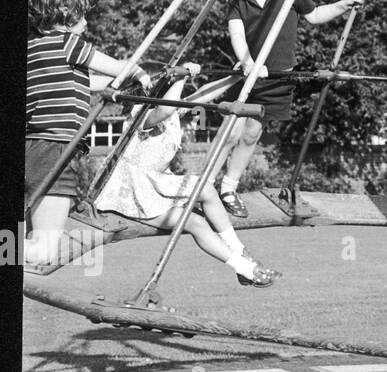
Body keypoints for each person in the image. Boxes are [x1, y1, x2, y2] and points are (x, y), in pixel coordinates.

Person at [212, 0, 363, 217]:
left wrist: (342, 5)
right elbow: (237, 35)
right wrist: (247, 62)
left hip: (278, 77)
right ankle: (204, 187)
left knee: (251, 134)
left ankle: (228, 188)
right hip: (249, 75)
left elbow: (315, 15)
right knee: (230, 132)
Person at [96, 65, 280, 287]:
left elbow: (202, 95)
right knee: (195, 222)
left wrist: (236, 76)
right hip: (132, 193)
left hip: (155, 184)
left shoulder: (173, 111)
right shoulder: (140, 114)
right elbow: (165, 110)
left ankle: (241, 252)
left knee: (206, 189)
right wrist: (181, 77)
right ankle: (246, 269)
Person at [25, 0, 152, 266]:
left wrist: (121, 83)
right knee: (43, 251)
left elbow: (84, 81)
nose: (86, 23)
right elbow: (120, 67)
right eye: (82, 16)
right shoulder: (70, 43)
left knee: (25, 240)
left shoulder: (32, 48)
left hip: (32, 149)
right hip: (57, 151)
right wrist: (139, 73)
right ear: (67, 14)